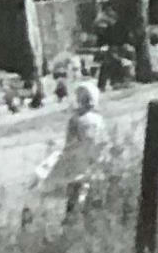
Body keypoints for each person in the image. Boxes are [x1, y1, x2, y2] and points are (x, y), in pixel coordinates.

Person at [35, 80, 110, 220]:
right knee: (88, 186)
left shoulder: (76, 119)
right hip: (93, 158)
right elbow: (103, 140)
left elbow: (70, 143)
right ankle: (88, 214)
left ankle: (71, 217)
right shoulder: (98, 119)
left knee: (72, 186)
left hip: (76, 159)